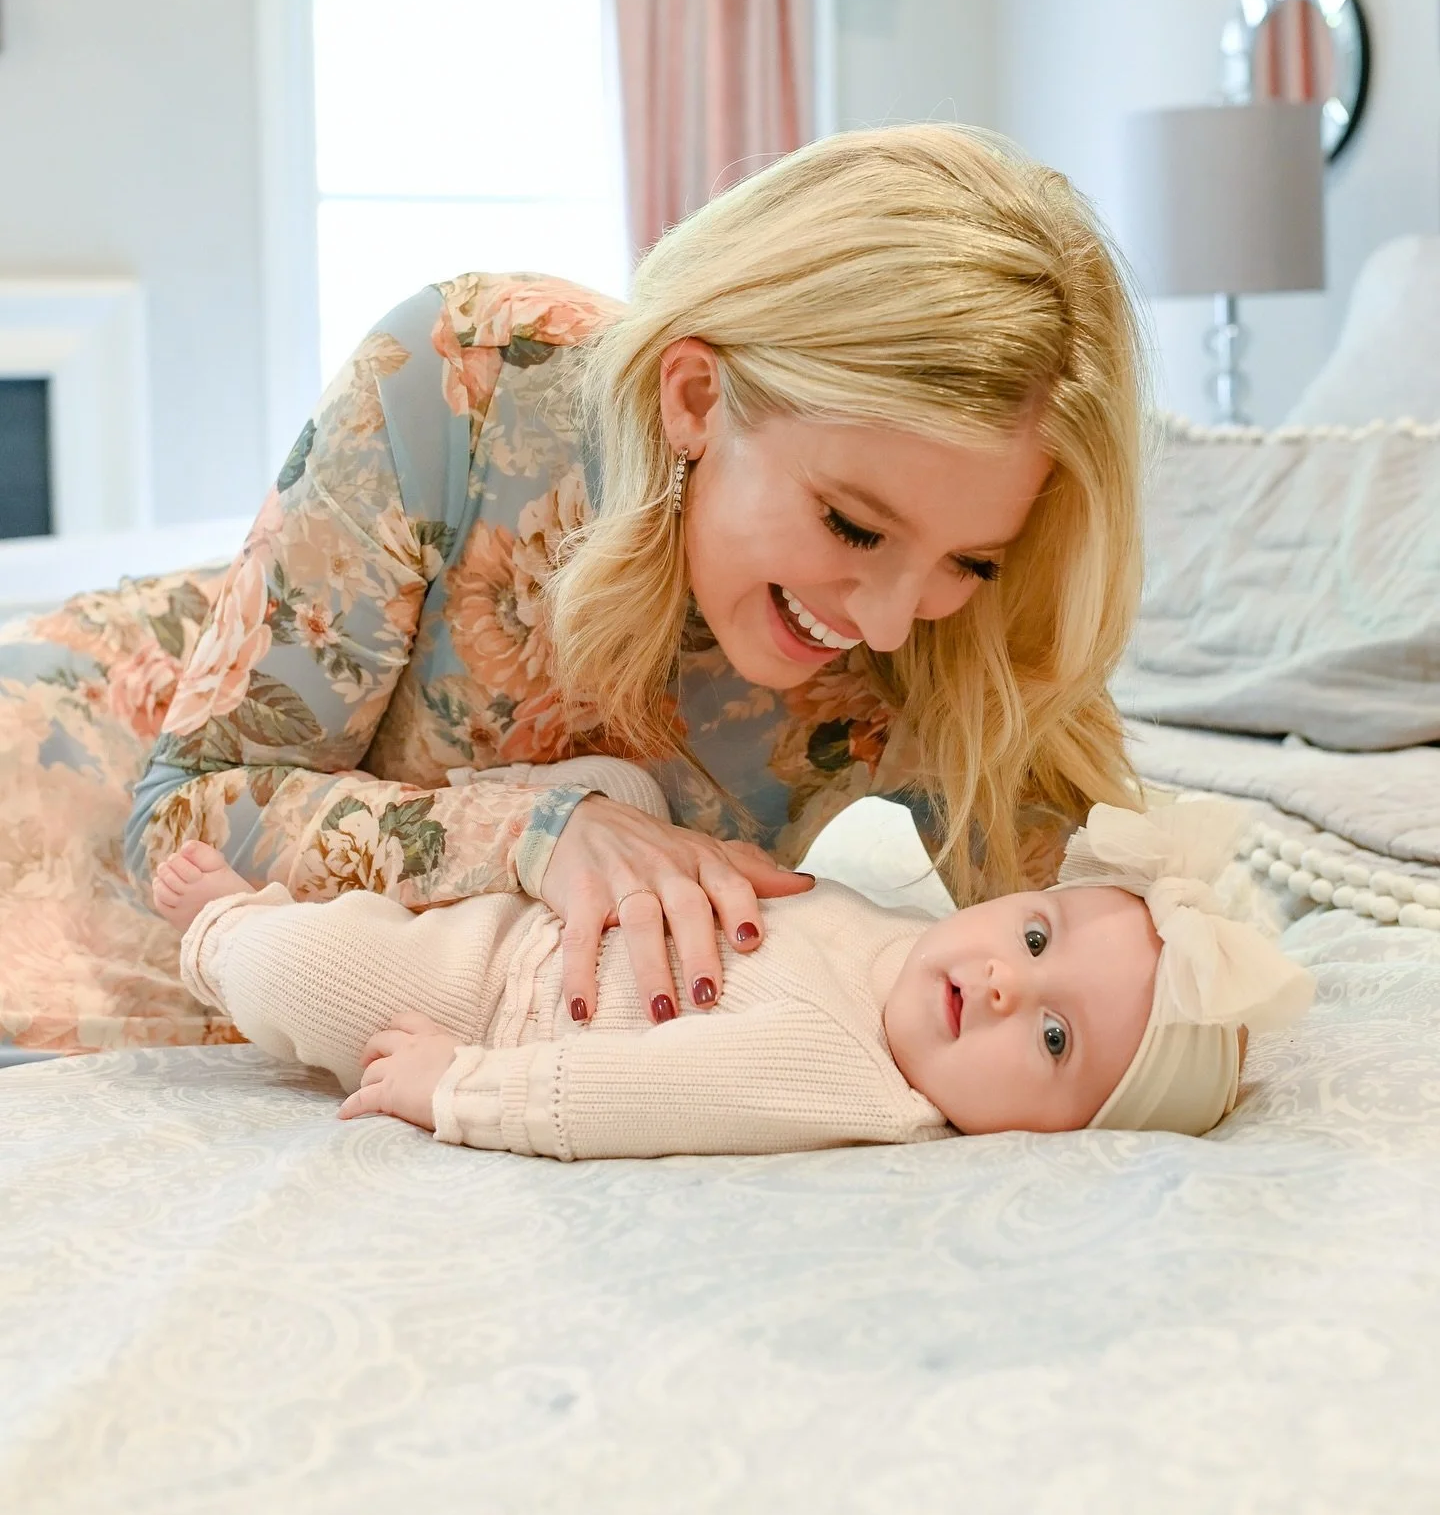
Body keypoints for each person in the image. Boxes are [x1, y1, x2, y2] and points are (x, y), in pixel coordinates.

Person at [127, 124, 1146, 1033]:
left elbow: (1108, 949)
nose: (886, 625)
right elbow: (177, 818)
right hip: (129, 714)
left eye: (970, 562)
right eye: (852, 525)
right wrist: (542, 834)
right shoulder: (465, 377)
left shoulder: (956, 619)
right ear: (695, 395)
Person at [152, 778, 1313, 1154]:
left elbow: (629, 1098)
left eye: (1054, 1041)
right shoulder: (906, 932)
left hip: (498, 1001)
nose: (1010, 983)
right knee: (631, 782)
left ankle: (224, 928)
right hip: (568, 908)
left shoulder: (852, 1077)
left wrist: (460, 1087)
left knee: (309, 973)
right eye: (1037, 934)